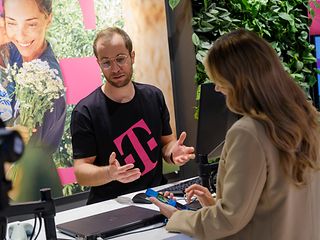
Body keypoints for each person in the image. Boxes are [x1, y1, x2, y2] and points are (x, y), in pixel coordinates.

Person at [150, 29, 320, 240]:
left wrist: (178, 217)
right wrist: (216, 206)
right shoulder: (307, 120)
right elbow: (276, 203)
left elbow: (228, 220)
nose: (218, 89)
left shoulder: (249, 133)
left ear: (238, 81)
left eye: (219, 81)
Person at [70, 27, 195, 204]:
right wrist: (110, 173)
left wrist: (174, 153)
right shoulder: (85, 111)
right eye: (106, 62)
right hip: (110, 205)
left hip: (155, 197)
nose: (115, 68)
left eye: (120, 59)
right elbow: (81, 172)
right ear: (98, 63)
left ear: (132, 56)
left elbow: (166, 144)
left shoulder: (154, 96)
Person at [2, 0, 66, 152]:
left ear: (48, 19)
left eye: (31, 24)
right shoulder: (15, 51)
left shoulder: (45, 89)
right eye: (11, 23)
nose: (20, 35)